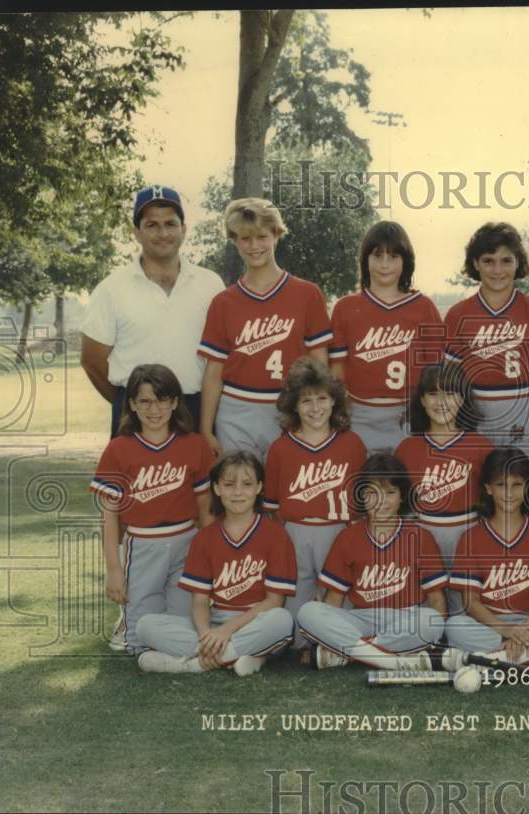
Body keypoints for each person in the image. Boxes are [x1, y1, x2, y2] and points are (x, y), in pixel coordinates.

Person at [135, 450, 297, 676]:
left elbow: (274, 602)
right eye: (229, 485)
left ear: (259, 487)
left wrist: (228, 630)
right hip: (216, 620)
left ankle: (192, 664)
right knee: (145, 626)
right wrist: (206, 634)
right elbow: (200, 601)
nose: (238, 492)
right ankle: (234, 656)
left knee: (282, 621)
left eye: (247, 484)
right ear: (217, 488)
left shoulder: (276, 535)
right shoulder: (205, 538)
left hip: (256, 621)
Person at [89, 364, 215, 655]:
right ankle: (128, 629)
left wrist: (211, 558)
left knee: (186, 624)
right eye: (144, 401)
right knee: (138, 642)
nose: (154, 409)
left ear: (174, 403)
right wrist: (114, 570)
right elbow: (109, 516)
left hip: (187, 543)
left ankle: (200, 650)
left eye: (161, 400)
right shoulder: (118, 449)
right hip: (142, 544)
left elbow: (205, 509)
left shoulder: (195, 445)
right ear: (131, 404)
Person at [81, 184, 224, 438]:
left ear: (184, 229)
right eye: (151, 225)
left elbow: (221, 356)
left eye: (170, 223)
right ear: (136, 232)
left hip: (195, 409)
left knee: (199, 479)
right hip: (136, 414)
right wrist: (130, 405)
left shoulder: (210, 284)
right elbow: (92, 361)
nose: (163, 233)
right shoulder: (111, 288)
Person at [198, 198, 333, 462]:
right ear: (234, 240)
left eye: (261, 236)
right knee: (240, 492)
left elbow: (320, 366)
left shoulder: (307, 294)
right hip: (236, 409)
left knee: (285, 493)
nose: (254, 246)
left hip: (291, 407)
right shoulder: (223, 302)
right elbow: (214, 373)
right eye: (245, 238)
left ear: (276, 235)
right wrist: (205, 428)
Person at [297, 453, 448, 671]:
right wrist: (329, 629)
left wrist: (434, 631)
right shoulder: (348, 537)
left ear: (402, 496)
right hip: (361, 620)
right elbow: (333, 601)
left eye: (389, 492)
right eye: (372, 493)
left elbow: (437, 602)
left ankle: (351, 655)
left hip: (406, 618)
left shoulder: (419, 536)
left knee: (430, 620)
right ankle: (392, 659)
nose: (381, 501)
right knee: (308, 612)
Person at [263, 357, 367, 650]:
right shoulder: (281, 447)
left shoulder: (352, 443)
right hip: (295, 532)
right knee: (295, 631)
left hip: (340, 532)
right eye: (306, 401)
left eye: (322, 398)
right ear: (293, 406)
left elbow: (360, 505)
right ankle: (305, 647)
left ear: (335, 402)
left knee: (341, 609)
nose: (315, 408)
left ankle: (333, 647)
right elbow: (272, 507)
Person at [443, 448, 529, 667]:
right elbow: (471, 602)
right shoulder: (472, 537)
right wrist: (505, 630)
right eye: (501, 485)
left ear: (527, 488)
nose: (509, 493)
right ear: (488, 488)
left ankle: (498, 658)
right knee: (454, 625)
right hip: (489, 626)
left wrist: (524, 630)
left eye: (517, 485)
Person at [443, 222, 529, 464]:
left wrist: (528, 404)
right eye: (488, 260)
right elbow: (450, 377)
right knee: (476, 483)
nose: (497, 269)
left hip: (520, 406)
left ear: (518, 262)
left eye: (506, 260)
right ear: (475, 263)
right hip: (474, 408)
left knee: (520, 479)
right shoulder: (459, 314)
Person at [329, 221, 443, 453]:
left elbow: (435, 370)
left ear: (406, 261)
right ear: (365, 259)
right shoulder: (346, 307)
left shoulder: (424, 307)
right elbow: (337, 369)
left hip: (408, 414)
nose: (384, 265)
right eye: (377, 255)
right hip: (359, 414)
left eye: (393, 257)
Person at [394, 363, 492, 613]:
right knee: (428, 604)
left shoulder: (480, 445)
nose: (441, 402)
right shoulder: (408, 448)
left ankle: (461, 650)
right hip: (423, 531)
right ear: (422, 401)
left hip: (468, 532)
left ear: (463, 399)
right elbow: (399, 506)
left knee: (466, 607)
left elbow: (493, 502)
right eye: (433, 394)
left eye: (450, 393)